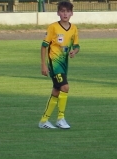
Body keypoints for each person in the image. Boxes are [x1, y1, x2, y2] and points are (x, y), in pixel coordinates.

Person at [39, 1, 80, 130]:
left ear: (72, 13)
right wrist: (44, 65)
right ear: (58, 13)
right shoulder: (53, 27)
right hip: (54, 63)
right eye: (62, 11)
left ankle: (44, 120)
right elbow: (44, 46)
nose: (65, 14)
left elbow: (77, 45)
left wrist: (74, 51)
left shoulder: (73, 28)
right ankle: (60, 118)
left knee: (56, 91)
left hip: (64, 64)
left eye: (67, 11)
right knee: (65, 87)